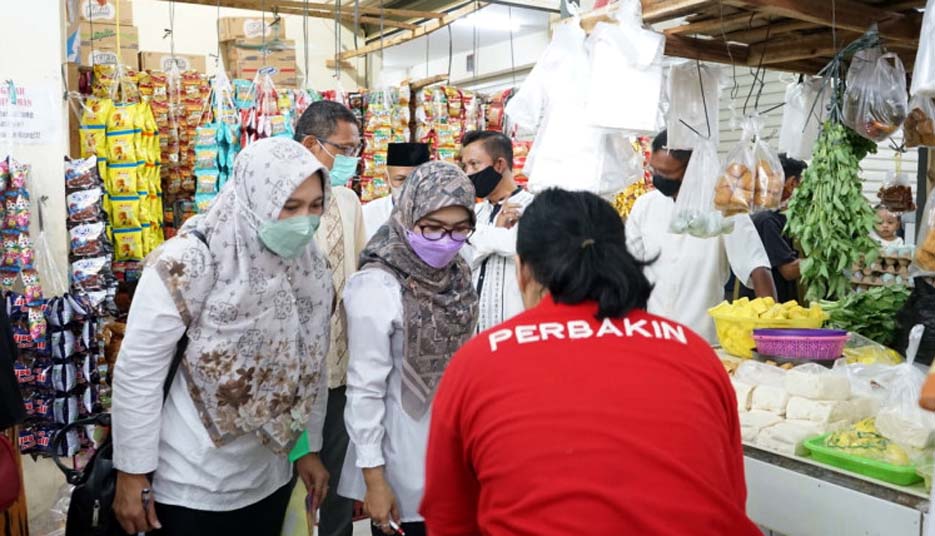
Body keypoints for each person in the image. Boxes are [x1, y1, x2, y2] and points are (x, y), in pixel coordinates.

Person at [420, 189, 760, 535]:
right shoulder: (693, 351)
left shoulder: (478, 362)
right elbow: (730, 497)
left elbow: (449, 520)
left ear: (522, 270)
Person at [111, 138, 332, 535]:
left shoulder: (307, 266)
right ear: (252, 199)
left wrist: (307, 449)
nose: (305, 221)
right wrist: (131, 472)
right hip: (189, 483)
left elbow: (311, 363)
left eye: (315, 206)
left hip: (269, 476)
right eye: (290, 206)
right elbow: (138, 372)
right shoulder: (186, 263)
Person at [338, 162, 478, 536]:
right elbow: (365, 388)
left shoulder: (459, 274)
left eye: (460, 229)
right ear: (408, 215)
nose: (446, 240)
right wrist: (374, 480)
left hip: (456, 458)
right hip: (400, 464)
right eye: (432, 228)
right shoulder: (377, 286)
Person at [292, 100, 368, 536]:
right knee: (284, 486)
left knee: (336, 485)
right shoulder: (271, 200)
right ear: (310, 144)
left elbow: (356, 278)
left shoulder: (347, 201)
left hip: (336, 374)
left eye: (357, 148)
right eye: (344, 149)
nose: (352, 159)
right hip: (285, 378)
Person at [626, 130, 776, 343]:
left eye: (666, 173)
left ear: (690, 170)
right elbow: (627, 267)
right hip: (654, 337)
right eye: (655, 170)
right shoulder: (644, 206)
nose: (658, 178)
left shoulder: (724, 207)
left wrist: (772, 329)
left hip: (704, 341)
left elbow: (757, 266)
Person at [460, 130, 534, 333]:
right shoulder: (475, 213)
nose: (468, 173)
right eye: (465, 166)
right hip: (475, 337)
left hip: (516, 335)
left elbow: (519, 247)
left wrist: (482, 236)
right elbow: (462, 263)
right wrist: (497, 232)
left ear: (499, 165)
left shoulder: (533, 208)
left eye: (474, 164)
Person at [725, 153, 807, 303]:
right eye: (802, 182)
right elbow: (788, 271)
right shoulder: (768, 220)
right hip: (765, 309)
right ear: (792, 183)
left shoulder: (782, 218)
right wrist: (823, 259)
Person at [363, 142, 432, 241]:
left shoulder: (446, 215)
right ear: (387, 179)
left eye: (417, 179)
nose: (410, 186)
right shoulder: (367, 215)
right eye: (401, 179)